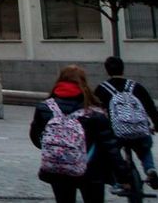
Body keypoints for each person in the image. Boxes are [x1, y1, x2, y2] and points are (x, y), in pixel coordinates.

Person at [30, 65, 128, 203]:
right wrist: (123, 175)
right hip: (91, 169)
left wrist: (59, 147)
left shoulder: (45, 108)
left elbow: (35, 137)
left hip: (59, 168)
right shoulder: (95, 112)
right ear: (83, 82)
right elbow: (111, 147)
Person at [96, 56, 158, 189]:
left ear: (107, 70)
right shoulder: (136, 87)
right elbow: (150, 107)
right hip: (139, 130)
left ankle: (118, 180)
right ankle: (150, 170)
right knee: (144, 149)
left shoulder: (101, 89)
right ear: (123, 69)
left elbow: (95, 112)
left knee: (110, 152)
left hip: (117, 133)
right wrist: (157, 126)